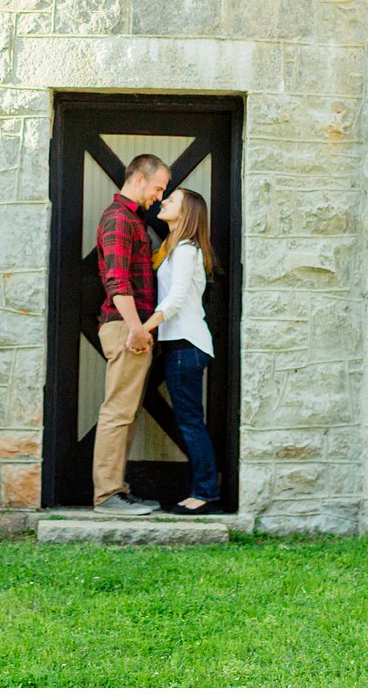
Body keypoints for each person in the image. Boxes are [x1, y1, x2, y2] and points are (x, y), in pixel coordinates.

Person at [91, 152, 170, 515]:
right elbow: (116, 281)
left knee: (127, 412)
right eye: (158, 188)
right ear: (139, 178)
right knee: (117, 411)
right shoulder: (119, 219)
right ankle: (107, 495)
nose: (159, 196)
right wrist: (136, 328)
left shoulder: (132, 219)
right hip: (125, 325)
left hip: (131, 326)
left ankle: (117, 490)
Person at [144, 187, 220, 514]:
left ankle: (204, 495)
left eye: (171, 200)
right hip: (178, 346)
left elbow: (174, 301)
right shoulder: (173, 249)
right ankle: (202, 491)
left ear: (187, 212)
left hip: (187, 346)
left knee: (190, 422)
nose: (164, 201)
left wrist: (141, 328)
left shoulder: (187, 249)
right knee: (190, 421)